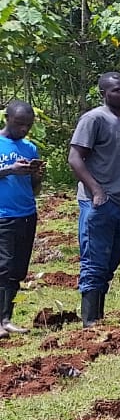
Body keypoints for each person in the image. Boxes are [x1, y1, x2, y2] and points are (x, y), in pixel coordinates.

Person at [69, 72, 120, 327]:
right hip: (98, 204)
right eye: (118, 90)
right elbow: (75, 158)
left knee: (110, 263)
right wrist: (97, 191)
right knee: (94, 261)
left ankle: (99, 316)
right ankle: (89, 322)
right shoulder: (94, 118)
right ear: (103, 93)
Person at [0, 101, 44, 336]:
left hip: (26, 213)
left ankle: (6, 318)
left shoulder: (30, 148)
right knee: (2, 267)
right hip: (3, 214)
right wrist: (9, 170)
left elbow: (34, 189)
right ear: (6, 118)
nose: (24, 130)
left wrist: (36, 175)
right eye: (19, 124)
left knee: (18, 269)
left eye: (28, 125)